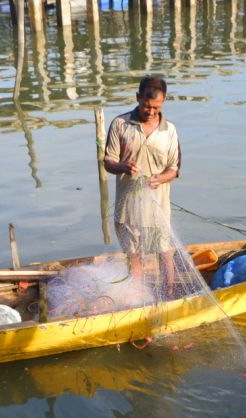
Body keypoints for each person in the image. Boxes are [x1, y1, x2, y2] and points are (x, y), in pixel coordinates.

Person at [102, 75, 182, 294]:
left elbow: (174, 169)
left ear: (163, 103)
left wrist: (159, 178)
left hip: (158, 208)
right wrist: (123, 167)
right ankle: (137, 297)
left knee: (164, 252)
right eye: (147, 106)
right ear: (138, 98)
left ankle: (169, 292)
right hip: (128, 209)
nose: (151, 112)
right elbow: (108, 161)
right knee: (134, 256)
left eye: (157, 107)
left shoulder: (169, 130)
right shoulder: (120, 124)